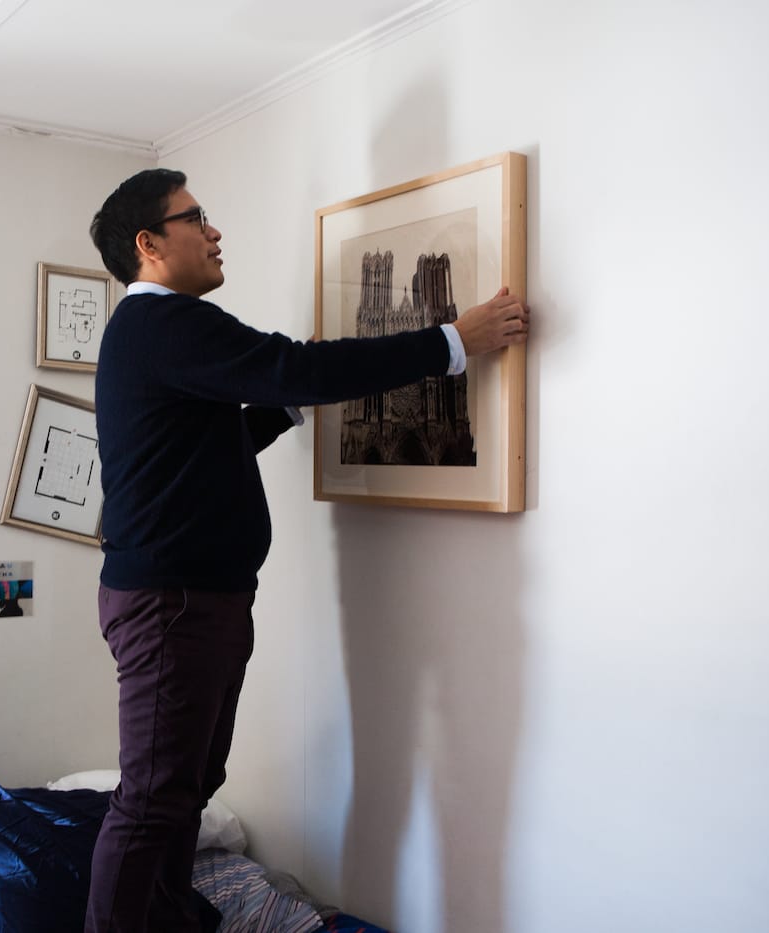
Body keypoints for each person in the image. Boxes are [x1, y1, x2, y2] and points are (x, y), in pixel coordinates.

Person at [84, 168, 529, 933]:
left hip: (189, 598)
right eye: (197, 218)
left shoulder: (155, 333)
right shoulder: (168, 322)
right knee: (157, 795)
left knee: (185, 785)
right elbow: (299, 365)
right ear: (148, 244)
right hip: (174, 603)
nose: (215, 231)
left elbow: (203, 445)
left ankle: (160, 919)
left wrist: (284, 405)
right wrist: (455, 342)